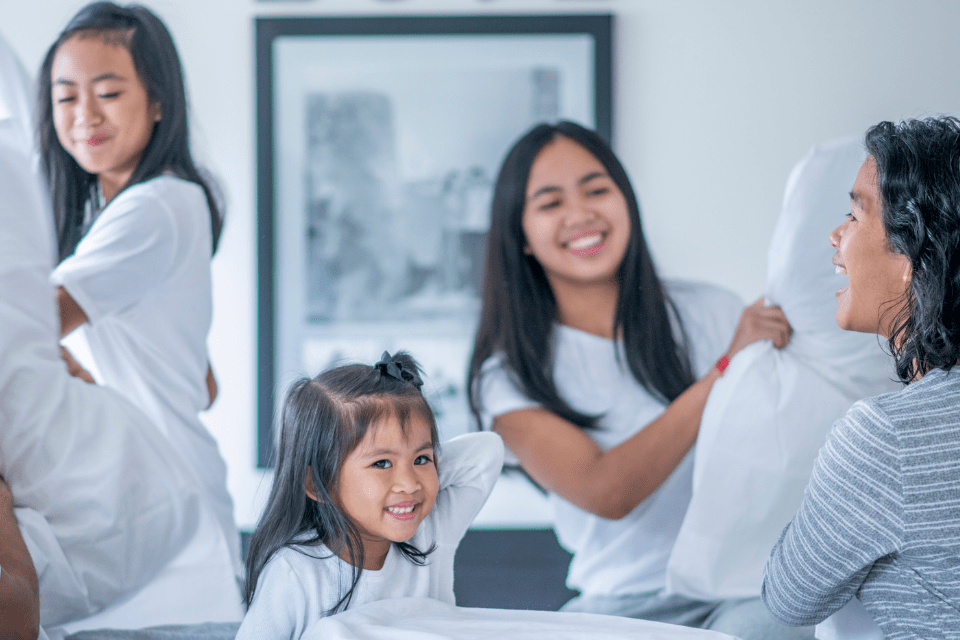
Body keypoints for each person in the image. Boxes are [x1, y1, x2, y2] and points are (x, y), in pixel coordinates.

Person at [468, 121, 800, 638]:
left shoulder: (711, 311)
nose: (581, 214)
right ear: (522, 236)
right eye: (550, 203)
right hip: (621, 602)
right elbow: (608, 492)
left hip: (747, 586)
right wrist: (724, 369)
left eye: (597, 189)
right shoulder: (509, 375)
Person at [1, 24, 237, 637]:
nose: (84, 116)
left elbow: (27, 324)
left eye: (108, 92)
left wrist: (57, 355)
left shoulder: (155, 207)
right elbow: (205, 383)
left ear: (158, 101)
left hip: (162, 526)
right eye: (65, 96)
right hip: (152, 511)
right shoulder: (143, 208)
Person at [762, 116, 960, 637]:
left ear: (911, 256)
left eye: (853, 214)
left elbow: (788, 598)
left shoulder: (885, 435)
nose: (835, 235)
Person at [239, 352, 504, 639]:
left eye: (421, 459)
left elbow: (487, 451)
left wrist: (426, 467)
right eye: (381, 463)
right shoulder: (294, 572)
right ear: (318, 484)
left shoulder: (432, 530)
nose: (408, 484)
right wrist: (415, 460)